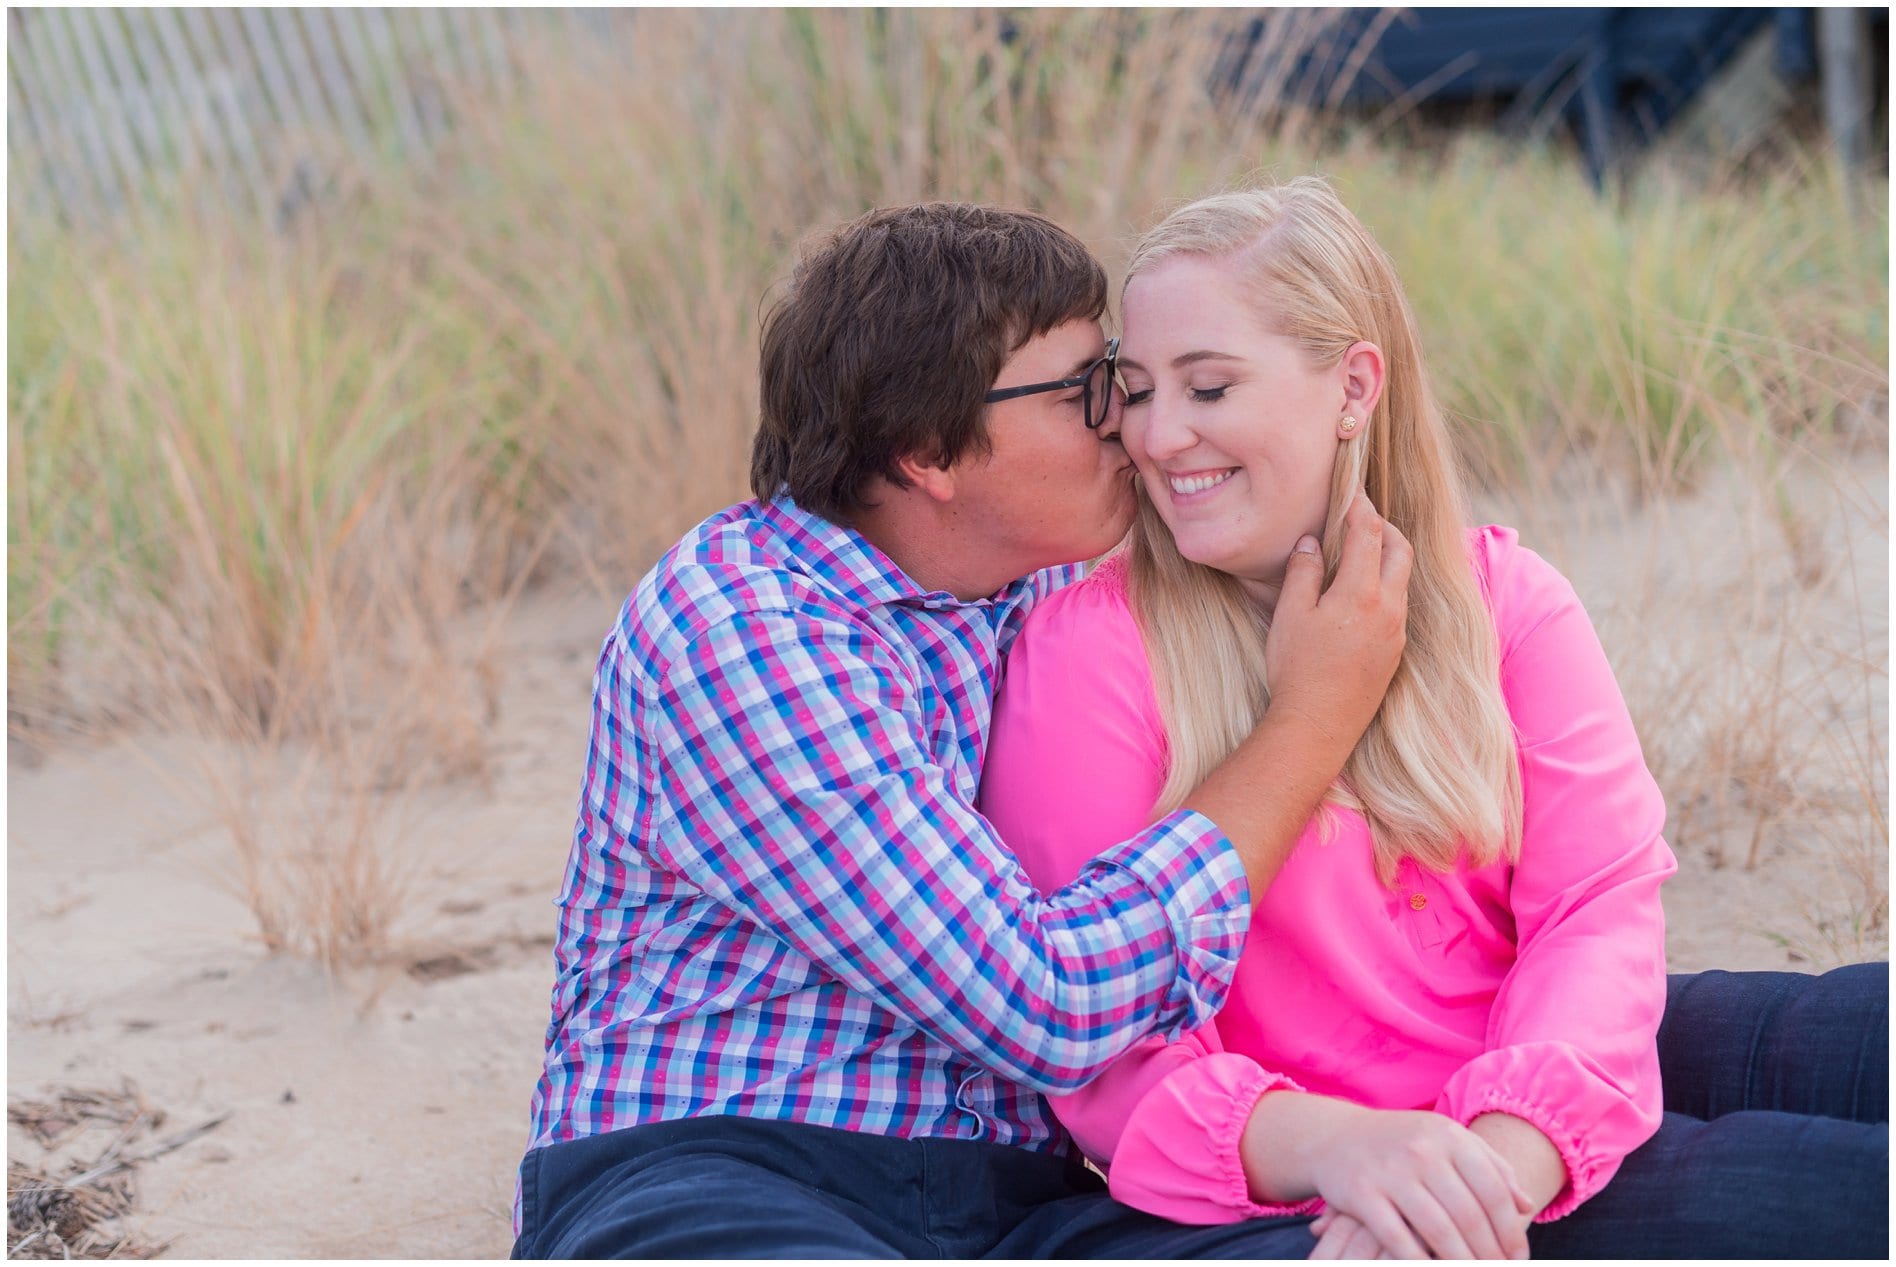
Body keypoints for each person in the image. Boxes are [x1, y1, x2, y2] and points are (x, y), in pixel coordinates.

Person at [978, 177, 1888, 1259]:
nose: (1161, 436)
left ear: (1354, 385)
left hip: (1528, 1121)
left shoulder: (1501, 601)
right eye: (1136, 390)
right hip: (1309, 1177)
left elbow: (1594, 911)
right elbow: (1103, 1061)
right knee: (1834, 1200)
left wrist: (1497, 1164)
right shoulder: (1088, 655)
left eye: (1210, 388)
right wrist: (1368, 1162)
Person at [511, 201, 1420, 1258]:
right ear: (926, 452)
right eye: (1091, 391)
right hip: (724, 1170)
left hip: (1018, 1202)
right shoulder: (744, 629)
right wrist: (1313, 716)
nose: (1132, 423)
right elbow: (1048, 1003)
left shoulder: (1042, 593)